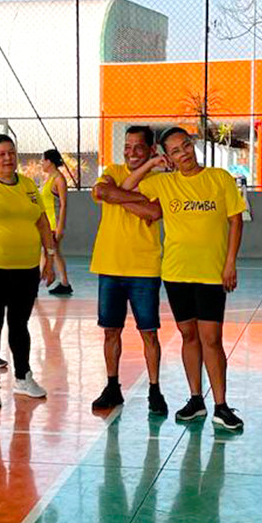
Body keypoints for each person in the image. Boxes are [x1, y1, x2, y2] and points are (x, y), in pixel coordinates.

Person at [102, 125, 246, 429]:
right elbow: (126, 188)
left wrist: (230, 263)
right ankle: (196, 399)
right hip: (177, 273)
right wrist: (151, 165)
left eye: (187, 146)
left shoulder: (219, 179)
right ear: (167, 156)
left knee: (211, 338)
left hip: (210, 273)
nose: (184, 154)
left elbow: (235, 222)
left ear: (194, 145)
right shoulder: (164, 184)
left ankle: (221, 404)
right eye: (176, 151)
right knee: (188, 336)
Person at [0, 134, 57, 408]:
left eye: (11, 153)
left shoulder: (29, 186)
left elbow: (42, 223)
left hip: (26, 270)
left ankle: (23, 377)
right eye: (1, 154)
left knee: (20, 325)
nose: (8, 158)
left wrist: (49, 259)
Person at [85, 125, 166, 415]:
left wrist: (117, 196)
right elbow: (100, 190)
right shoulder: (113, 170)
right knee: (111, 331)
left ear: (151, 151)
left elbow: (154, 213)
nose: (131, 153)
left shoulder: (161, 181)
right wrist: (133, 199)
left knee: (149, 333)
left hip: (144, 268)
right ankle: (112, 387)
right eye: (128, 147)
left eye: (138, 148)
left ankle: (155, 390)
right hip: (109, 265)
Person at [40, 148, 73, 295]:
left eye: (43, 160)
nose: (41, 163)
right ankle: (65, 283)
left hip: (53, 224)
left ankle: (36, 286)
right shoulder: (48, 178)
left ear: (49, 161)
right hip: (46, 223)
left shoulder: (59, 179)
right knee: (53, 253)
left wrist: (60, 227)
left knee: (48, 253)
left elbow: (64, 204)